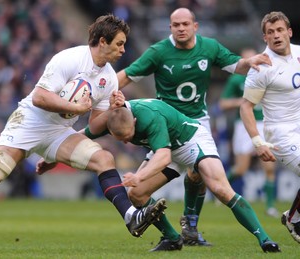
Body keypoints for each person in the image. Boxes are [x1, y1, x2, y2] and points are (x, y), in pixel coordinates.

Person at [0, 14, 167, 253]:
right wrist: (75, 107)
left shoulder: (109, 78)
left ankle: (131, 217)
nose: (123, 50)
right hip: (28, 123)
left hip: (58, 131)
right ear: (103, 41)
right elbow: (40, 97)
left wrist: (114, 111)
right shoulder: (69, 58)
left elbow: (95, 122)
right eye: (120, 44)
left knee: (105, 160)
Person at [117, 7, 271, 246]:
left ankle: (191, 226)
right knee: (137, 193)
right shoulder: (158, 52)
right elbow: (127, 75)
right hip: (165, 128)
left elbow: (236, 66)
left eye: (185, 24)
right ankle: (172, 236)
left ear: (195, 26)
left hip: (197, 124)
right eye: (176, 25)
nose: (181, 28)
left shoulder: (208, 47)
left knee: (204, 177)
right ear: (170, 28)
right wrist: (103, 89)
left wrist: (249, 62)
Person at [100, 98, 280, 252]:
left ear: (134, 121)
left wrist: (139, 177)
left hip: (191, 139)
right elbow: (88, 131)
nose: (126, 141)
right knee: (136, 194)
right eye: (120, 138)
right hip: (166, 146)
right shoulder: (116, 117)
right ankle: (172, 238)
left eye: (128, 135)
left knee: (221, 189)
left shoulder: (148, 114)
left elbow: (163, 157)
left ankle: (264, 239)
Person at [240, 11, 300, 244]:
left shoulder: (298, 53)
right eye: (270, 32)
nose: (276, 35)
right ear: (264, 38)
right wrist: (257, 142)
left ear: (289, 32)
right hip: (280, 133)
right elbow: (246, 107)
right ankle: (294, 219)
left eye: (280, 30)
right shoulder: (262, 67)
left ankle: (294, 216)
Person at [219, 48, 279, 218]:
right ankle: (221, 192)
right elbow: (223, 104)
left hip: (265, 124)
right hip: (244, 125)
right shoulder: (236, 79)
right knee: (240, 169)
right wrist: (244, 101)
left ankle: (270, 206)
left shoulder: (268, 75)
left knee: (269, 167)